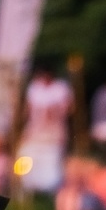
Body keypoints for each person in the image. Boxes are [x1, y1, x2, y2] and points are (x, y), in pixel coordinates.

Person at [18, 65, 73, 196]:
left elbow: (69, 107)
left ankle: (50, 188)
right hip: (35, 130)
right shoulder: (35, 87)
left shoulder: (60, 88)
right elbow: (29, 108)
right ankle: (27, 185)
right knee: (27, 154)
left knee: (52, 158)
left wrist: (54, 111)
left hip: (54, 130)